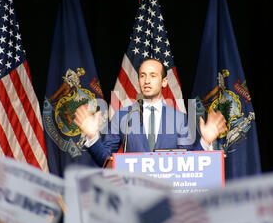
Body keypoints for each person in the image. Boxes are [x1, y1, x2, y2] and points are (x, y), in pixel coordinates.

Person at [74, 58, 227, 167]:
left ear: (164, 82)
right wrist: (93, 137)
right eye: (142, 75)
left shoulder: (180, 119)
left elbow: (188, 164)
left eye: (153, 75)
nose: (147, 80)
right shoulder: (122, 117)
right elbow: (105, 160)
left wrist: (205, 141)